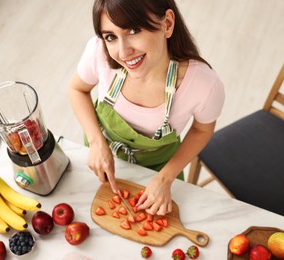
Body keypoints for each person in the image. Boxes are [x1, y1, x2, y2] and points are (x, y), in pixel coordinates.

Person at [69, 0, 224, 216]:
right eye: (111, 37)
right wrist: (96, 142)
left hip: (159, 170)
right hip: (100, 157)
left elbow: (202, 130)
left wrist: (165, 178)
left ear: (167, 24)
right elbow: (78, 90)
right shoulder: (99, 52)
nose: (123, 52)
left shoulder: (204, 84)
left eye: (133, 30)